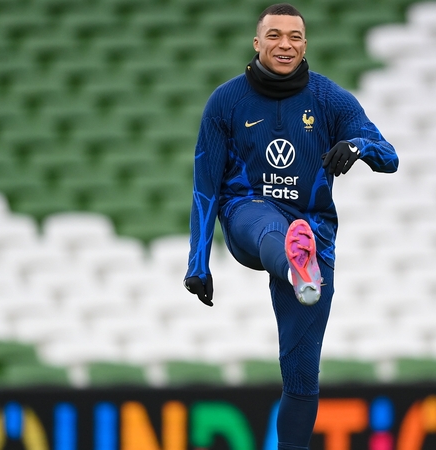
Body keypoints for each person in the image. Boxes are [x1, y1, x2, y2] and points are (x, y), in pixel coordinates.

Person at [183, 3, 398, 449]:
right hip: (248, 212)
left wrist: (356, 146)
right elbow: (205, 187)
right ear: (257, 43)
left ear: (305, 44)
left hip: (315, 231)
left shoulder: (329, 99)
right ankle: (295, 259)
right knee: (269, 229)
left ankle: (302, 265)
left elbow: (390, 156)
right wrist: (198, 263)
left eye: (295, 37)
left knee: (301, 378)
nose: (286, 44)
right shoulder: (227, 101)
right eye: (275, 35)